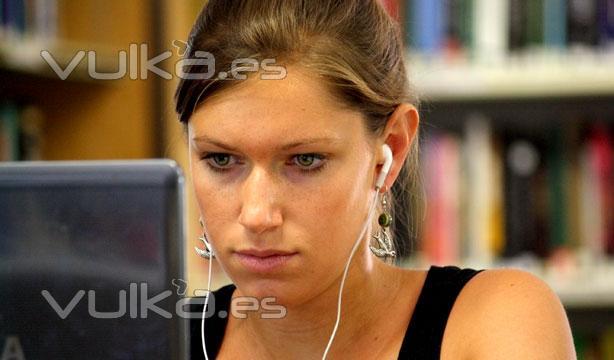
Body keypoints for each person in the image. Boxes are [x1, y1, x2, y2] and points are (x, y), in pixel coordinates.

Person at [174, 0, 576, 359]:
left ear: (392, 149)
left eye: (305, 160)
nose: (258, 215)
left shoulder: (498, 318)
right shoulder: (158, 338)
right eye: (221, 159)